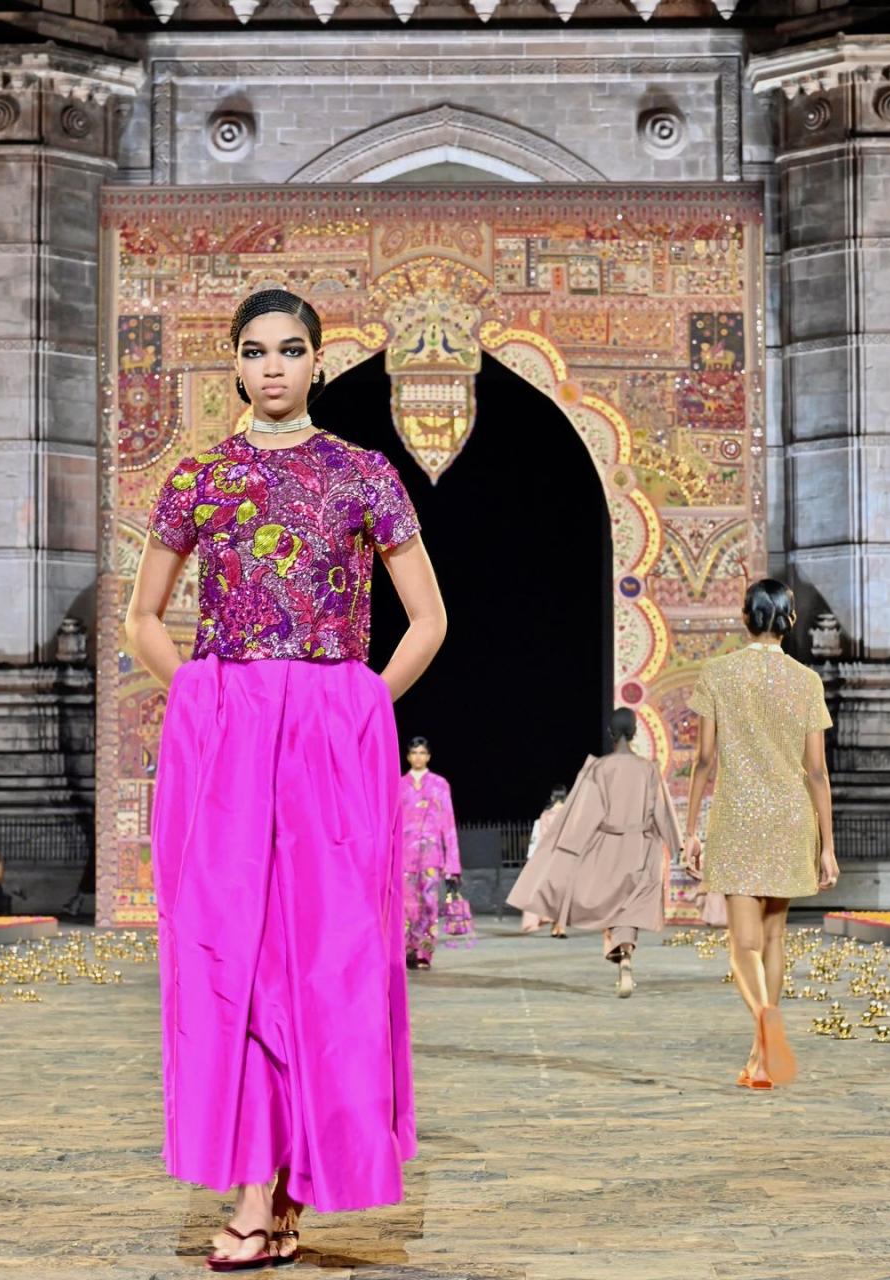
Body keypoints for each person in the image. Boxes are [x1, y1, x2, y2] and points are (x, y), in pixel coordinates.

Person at [126, 288, 447, 1272]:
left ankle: (290, 1181)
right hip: (224, 739)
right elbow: (144, 615)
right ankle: (254, 1189)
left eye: (292, 349)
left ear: (317, 360)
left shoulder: (364, 475)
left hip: (325, 734)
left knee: (326, 964)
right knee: (229, 957)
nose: (273, 366)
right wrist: (202, 705)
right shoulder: (199, 478)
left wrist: (360, 709)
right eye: (256, 351)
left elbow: (428, 618)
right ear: (234, 363)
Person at [684, 578, 838, 1090]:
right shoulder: (806, 681)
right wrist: (828, 848)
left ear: (744, 617)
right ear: (789, 621)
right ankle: (763, 1059)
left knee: (741, 944)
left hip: (739, 819)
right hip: (792, 819)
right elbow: (817, 772)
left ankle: (766, 1026)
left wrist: (690, 832)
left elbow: (704, 761)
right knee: (773, 938)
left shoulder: (719, 674)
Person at [507, 709, 682, 997]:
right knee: (630, 905)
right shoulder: (648, 769)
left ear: (611, 734)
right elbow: (662, 813)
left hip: (607, 844)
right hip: (640, 845)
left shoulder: (597, 769)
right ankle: (625, 954)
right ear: (636, 732)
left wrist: (567, 851)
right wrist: (679, 849)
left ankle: (617, 949)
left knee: (611, 898)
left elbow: (583, 816)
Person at [400, 737, 462, 970]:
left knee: (428, 904)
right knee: (407, 907)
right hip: (404, 857)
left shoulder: (439, 784)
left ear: (428, 756)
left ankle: (424, 952)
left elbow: (448, 823)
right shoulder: (398, 786)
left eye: (422, 752)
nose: (418, 757)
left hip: (431, 856)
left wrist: (452, 864)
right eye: (414, 752)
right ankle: (407, 950)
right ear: (408, 756)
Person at [520, 785, 568, 936]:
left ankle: (548, 919)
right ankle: (559, 927)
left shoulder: (546, 815)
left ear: (553, 797)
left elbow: (540, 839)